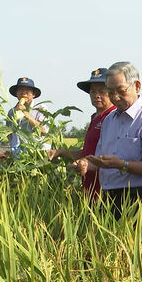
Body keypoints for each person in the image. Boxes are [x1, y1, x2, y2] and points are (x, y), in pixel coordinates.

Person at [74, 62, 142, 234]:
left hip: (138, 199)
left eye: (121, 91)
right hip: (108, 198)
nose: (115, 97)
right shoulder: (109, 120)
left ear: (137, 86)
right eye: (111, 92)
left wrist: (123, 165)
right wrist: (86, 164)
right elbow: (101, 160)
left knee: (136, 252)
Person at [48, 68, 116, 201]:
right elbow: (87, 153)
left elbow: (113, 155)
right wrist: (60, 152)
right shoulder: (96, 117)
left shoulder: (113, 117)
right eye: (93, 91)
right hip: (88, 186)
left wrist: (86, 163)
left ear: (112, 92)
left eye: (102, 91)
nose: (97, 95)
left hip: (104, 189)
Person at [0, 77, 49, 165]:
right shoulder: (11, 111)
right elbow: (9, 134)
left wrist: (25, 113)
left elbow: (43, 131)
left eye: (27, 91)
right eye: (20, 90)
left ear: (33, 94)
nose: (24, 93)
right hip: (15, 150)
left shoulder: (41, 108)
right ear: (16, 94)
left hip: (34, 149)